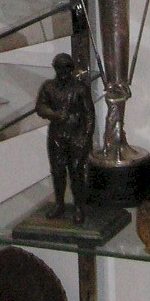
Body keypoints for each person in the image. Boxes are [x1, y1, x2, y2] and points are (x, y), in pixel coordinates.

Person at [35, 53, 95, 224]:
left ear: (71, 69)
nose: (63, 71)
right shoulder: (48, 87)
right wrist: (54, 114)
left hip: (76, 136)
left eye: (67, 68)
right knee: (57, 171)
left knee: (76, 173)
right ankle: (59, 204)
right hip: (57, 136)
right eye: (60, 67)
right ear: (55, 68)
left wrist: (86, 137)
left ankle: (78, 207)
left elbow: (89, 115)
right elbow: (40, 107)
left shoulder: (80, 88)